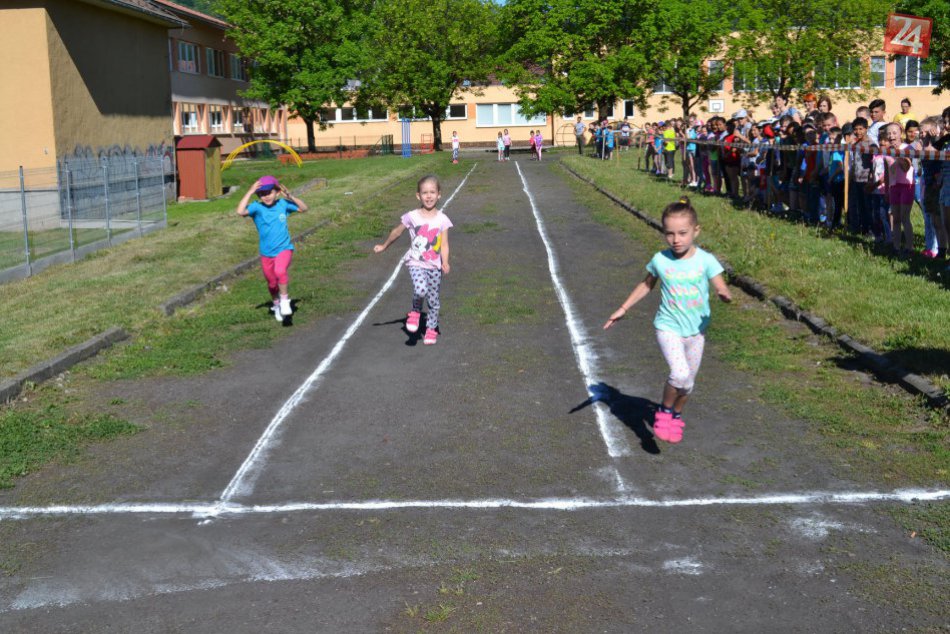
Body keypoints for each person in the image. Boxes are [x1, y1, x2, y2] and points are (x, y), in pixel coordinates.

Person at [603, 196, 732, 444]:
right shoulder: (661, 260)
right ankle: (663, 412)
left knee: (688, 384)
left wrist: (723, 293)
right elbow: (646, 284)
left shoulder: (706, 260)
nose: (676, 240)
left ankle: (675, 414)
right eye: (669, 234)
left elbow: (719, 283)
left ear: (696, 231)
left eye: (682, 233)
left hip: (696, 331)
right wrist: (623, 308)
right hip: (668, 327)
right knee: (680, 373)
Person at [373, 175, 453, 345]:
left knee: (433, 300)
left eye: (432, 192)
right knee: (420, 289)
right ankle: (415, 311)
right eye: (425, 193)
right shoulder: (412, 216)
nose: (429, 196)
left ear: (439, 194)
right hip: (416, 263)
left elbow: (444, 244)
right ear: (418, 195)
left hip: (434, 266)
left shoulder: (442, 220)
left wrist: (445, 262)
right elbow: (396, 232)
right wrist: (384, 246)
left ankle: (431, 328)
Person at [236, 175, 309, 322]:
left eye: (269, 192)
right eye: (262, 194)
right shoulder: (257, 207)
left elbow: (304, 208)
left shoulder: (283, 204)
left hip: (284, 249)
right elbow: (240, 211)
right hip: (266, 253)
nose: (266, 197)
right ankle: (276, 304)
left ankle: (284, 301)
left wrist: (290, 196)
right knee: (272, 283)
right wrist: (250, 192)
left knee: (280, 271)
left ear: (277, 192)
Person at [883, 122, 915, 256]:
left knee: (904, 217)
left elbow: (906, 167)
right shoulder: (886, 150)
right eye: (889, 133)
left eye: (894, 133)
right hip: (893, 186)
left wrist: (898, 153)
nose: (891, 136)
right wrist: (886, 190)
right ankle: (896, 247)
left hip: (906, 185)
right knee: (895, 218)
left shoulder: (907, 148)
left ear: (900, 133)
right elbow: (886, 172)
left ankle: (909, 247)